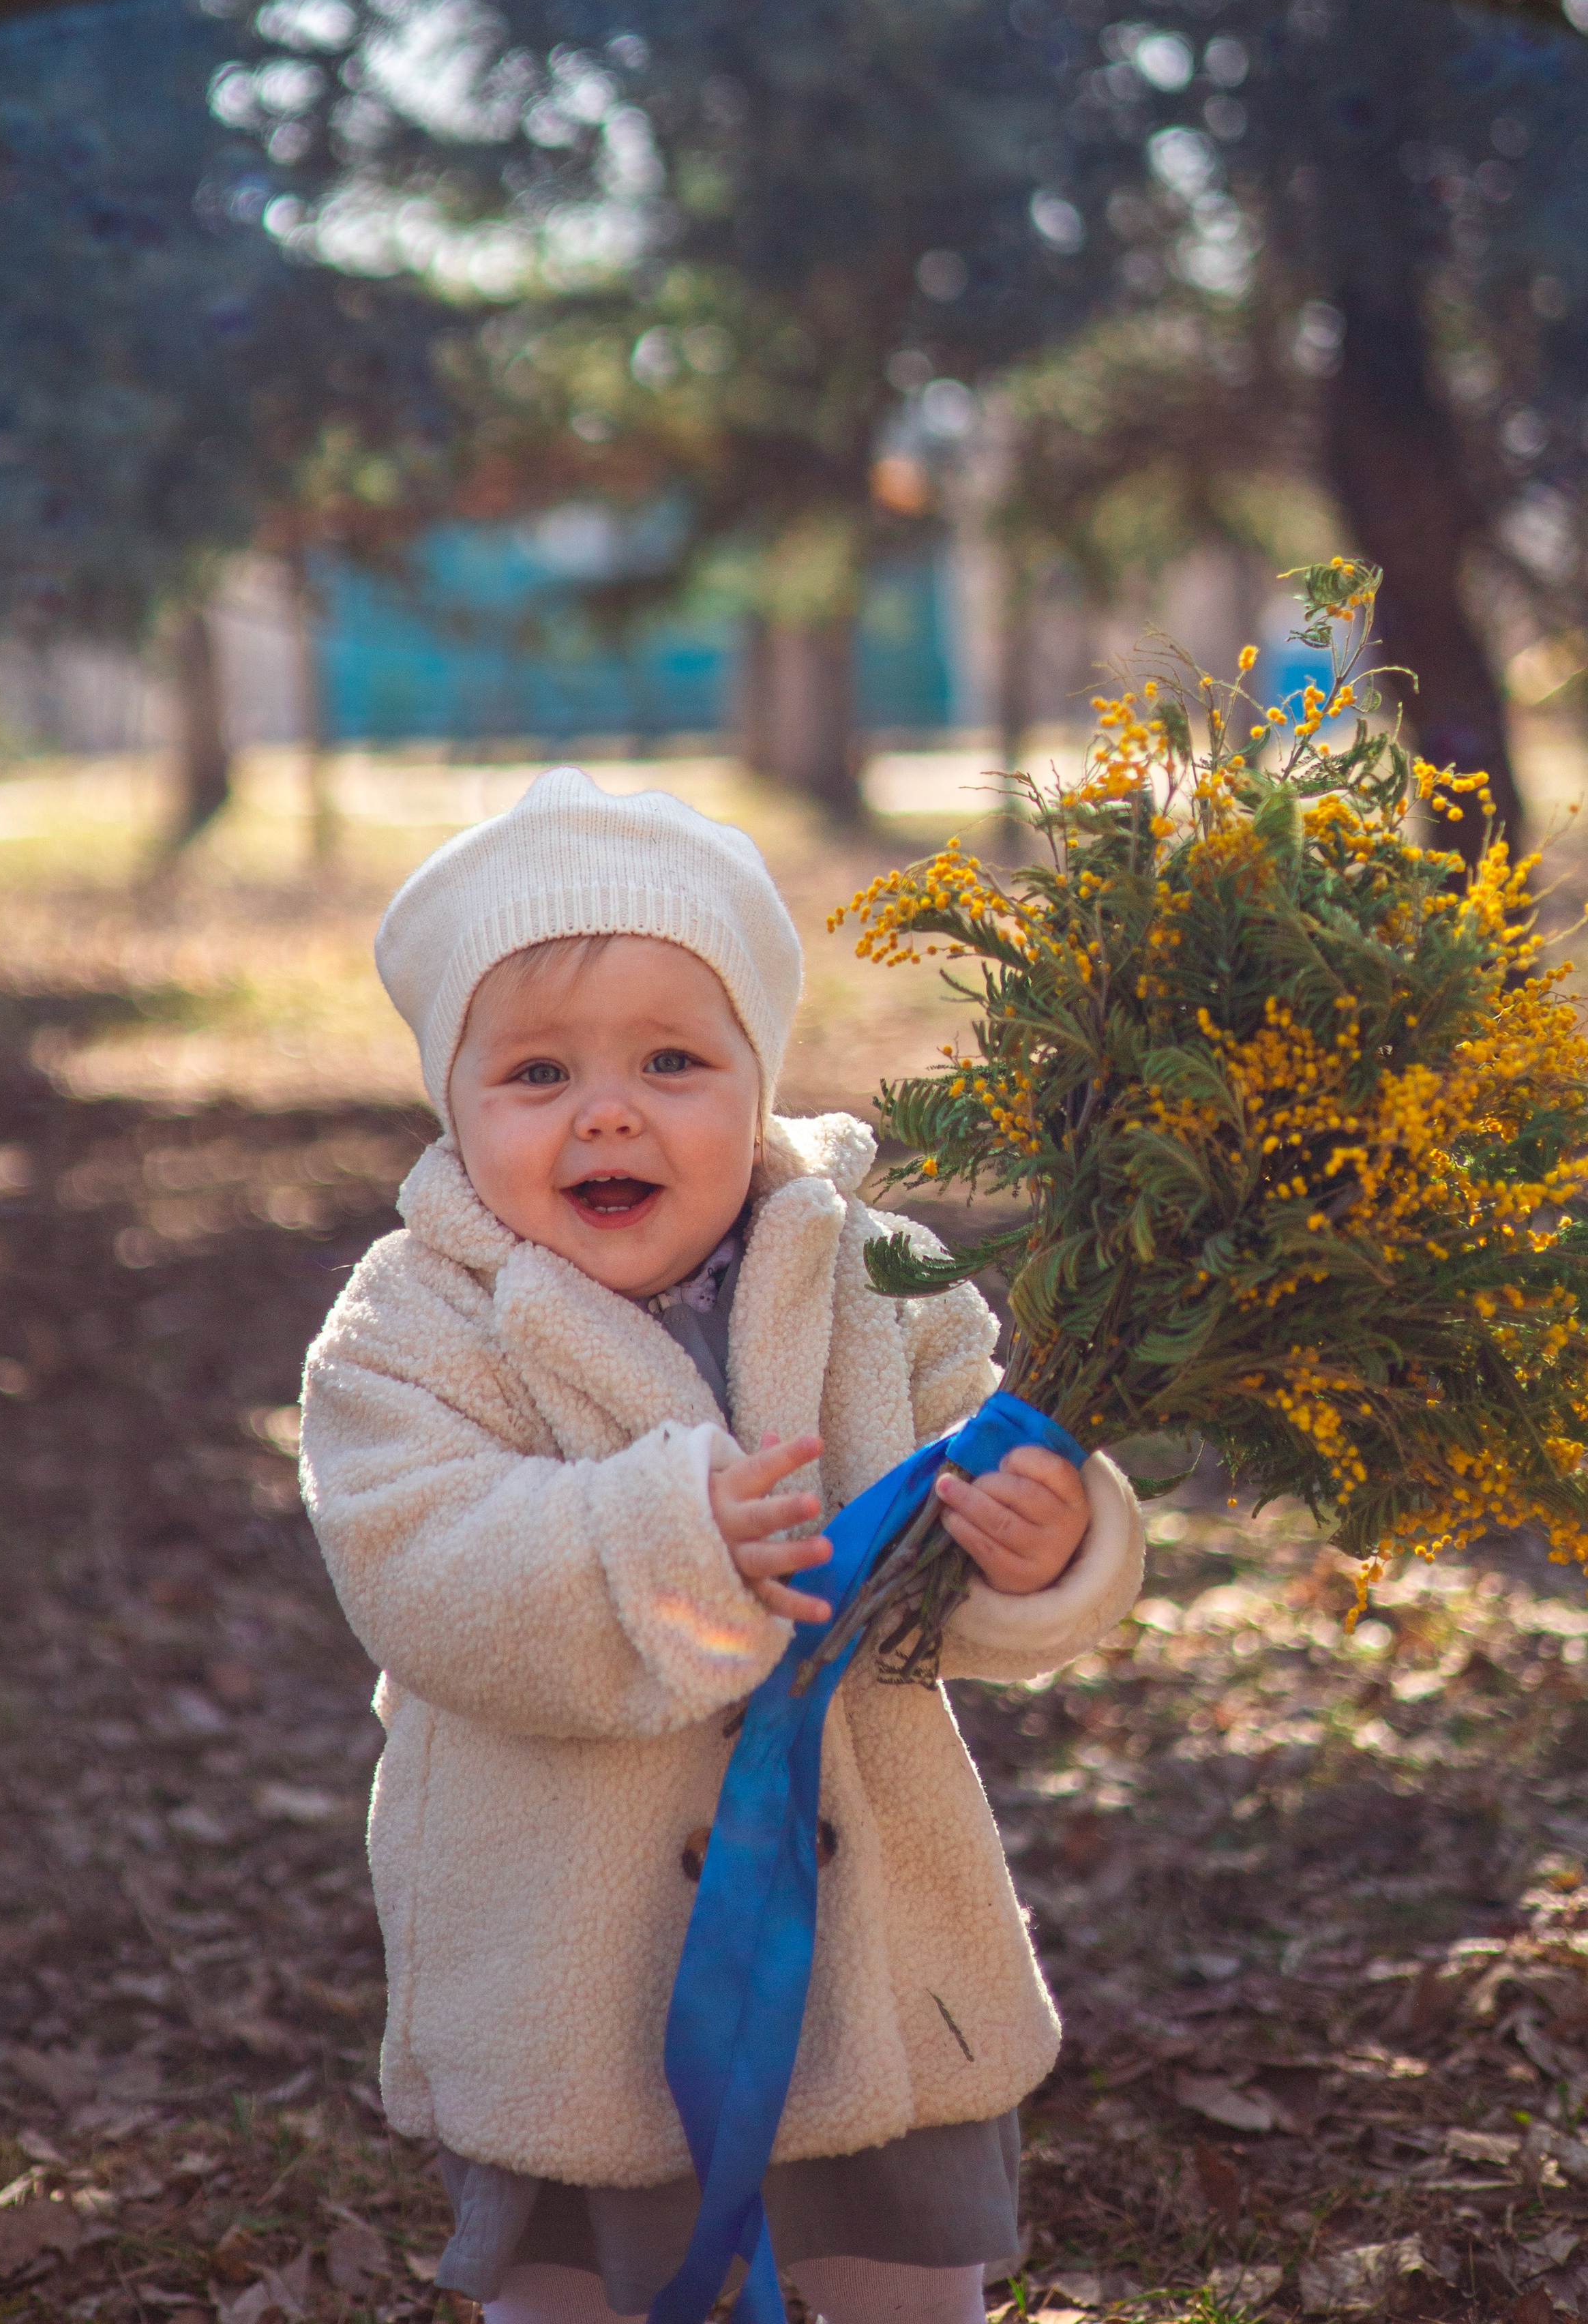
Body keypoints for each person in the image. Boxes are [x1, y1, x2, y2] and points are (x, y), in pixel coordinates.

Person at [299, 769, 1145, 2324]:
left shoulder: (867, 1274)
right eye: (537, 1072)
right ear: (453, 1100)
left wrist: (1044, 1551)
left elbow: (960, 1494)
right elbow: (418, 1568)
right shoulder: (414, 1325)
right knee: (583, 2277)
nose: (607, 1111)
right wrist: (656, 1540)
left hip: (864, 1939)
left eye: (673, 1060)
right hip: (574, 1950)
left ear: (757, 1083)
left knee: (902, 2266)